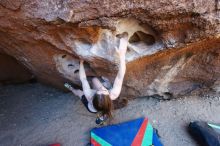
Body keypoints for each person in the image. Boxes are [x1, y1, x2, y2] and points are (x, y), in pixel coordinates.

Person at [64, 33, 128, 124]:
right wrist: (122, 56)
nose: (102, 88)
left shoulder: (89, 96)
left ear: (93, 96)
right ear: (108, 97)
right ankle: (104, 114)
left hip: (92, 107)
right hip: (104, 103)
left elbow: (83, 79)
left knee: (78, 93)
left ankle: (71, 88)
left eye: (99, 90)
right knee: (94, 80)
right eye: (104, 90)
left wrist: (81, 63)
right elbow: (120, 75)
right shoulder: (113, 94)